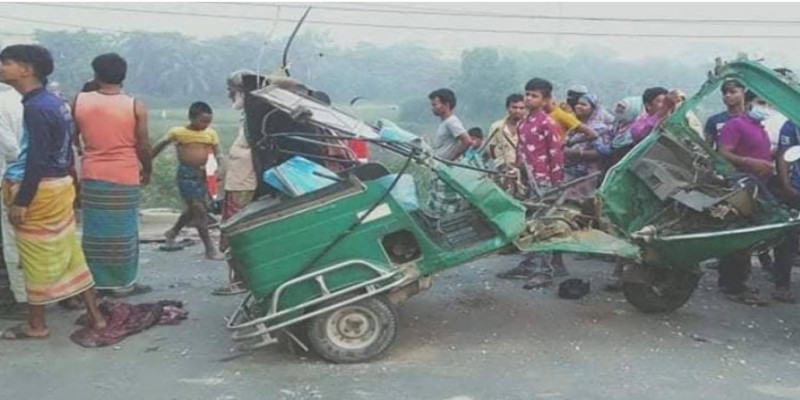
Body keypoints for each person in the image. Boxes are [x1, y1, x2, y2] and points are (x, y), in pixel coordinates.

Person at [0, 44, 105, 339]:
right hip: (59, 184)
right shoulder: (54, 101)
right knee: (70, 250)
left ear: (26, 69)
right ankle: (95, 316)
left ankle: (36, 324)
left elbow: (37, 157)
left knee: (34, 256)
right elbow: (66, 148)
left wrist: (23, 199)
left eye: (5, 62)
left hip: (39, 188)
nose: (1, 68)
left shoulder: (35, 106)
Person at [73, 53, 153, 298]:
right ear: (124, 75)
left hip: (93, 173)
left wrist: (84, 151)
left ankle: (94, 283)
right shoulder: (134, 105)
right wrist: (147, 169)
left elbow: (71, 137)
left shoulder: (78, 100)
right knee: (124, 231)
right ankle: (123, 282)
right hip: (125, 174)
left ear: (96, 75)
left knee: (95, 231)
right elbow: (143, 144)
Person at [497, 78, 566, 286]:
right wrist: (515, 171)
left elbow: (556, 155)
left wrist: (555, 185)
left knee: (542, 225)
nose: (528, 98)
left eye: (534, 95)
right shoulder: (523, 123)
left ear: (546, 100)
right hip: (527, 180)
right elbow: (521, 152)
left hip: (545, 182)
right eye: (527, 94)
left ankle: (544, 271)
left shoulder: (548, 123)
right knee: (526, 223)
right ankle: (528, 264)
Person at [715, 91, 774, 305]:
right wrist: (750, 162)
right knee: (739, 233)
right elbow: (724, 152)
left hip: (757, 185)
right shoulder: (735, 124)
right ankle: (733, 285)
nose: (764, 107)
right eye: (760, 102)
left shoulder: (760, 128)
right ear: (749, 103)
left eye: (767, 103)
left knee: (746, 235)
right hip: (741, 185)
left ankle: (736, 282)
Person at [153, 101, 225, 260]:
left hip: (204, 176)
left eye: (208, 122)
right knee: (200, 212)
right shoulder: (178, 132)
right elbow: (160, 145)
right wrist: (147, 162)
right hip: (187, 176)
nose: (206, 125)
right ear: (191, 118)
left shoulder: (210, 134)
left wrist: (219, 169)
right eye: (203, 121)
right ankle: (210, 249)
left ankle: (172, 232)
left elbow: (218, 153)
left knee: (193, 210)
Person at [214, 70, 257, 296]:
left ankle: (241, 280)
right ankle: (239, 278)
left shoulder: (255, 119)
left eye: (233, 90)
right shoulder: (248, 118)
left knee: (236, 233)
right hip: (238, 184)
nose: (229, 94)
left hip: (244, 186)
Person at [0, 83, 25, 320]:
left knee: (12, 241)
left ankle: (21, 299)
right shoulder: (22, 100)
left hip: (10, 179)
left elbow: (12, 151)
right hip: (28, 179)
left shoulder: (3, 105)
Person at [426, 88, 471, 217]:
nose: (432, 108)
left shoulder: (452, 122)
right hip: (440, 168)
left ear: (446, 105)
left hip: (446, 169)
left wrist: (449, 161)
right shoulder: (445, 122)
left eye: (435, 104)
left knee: (446, 208)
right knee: (439, 204)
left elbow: (466, 140)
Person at [771, 118, 800, 303]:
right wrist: (787, 186)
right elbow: (783, 156)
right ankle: (782, 285)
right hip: (796, 188)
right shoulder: (792, 123)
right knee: (787, 238)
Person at [564, 93, 612, 198]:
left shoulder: (600, 128)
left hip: (585, 173)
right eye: (578, 104)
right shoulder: (574, 125)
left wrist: (574, 153)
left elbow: (601, 153)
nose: (578, 106)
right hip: (568, 169)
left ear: (593, 109)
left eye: (583, 104)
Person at [485, 93, 525, 197]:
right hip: (503, 168)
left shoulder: (528, 127)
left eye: (521, 108)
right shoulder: (497, 127)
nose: (518, 111)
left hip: (524, 169)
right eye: (514, 107)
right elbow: (491, 149)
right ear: (507, 108)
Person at [703, 79, 746, 148]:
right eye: (724, 93)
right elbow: (708, 148)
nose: (728, 95)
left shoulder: (752, 119)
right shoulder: (714, 120)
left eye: (733, 92)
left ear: (743, 93)